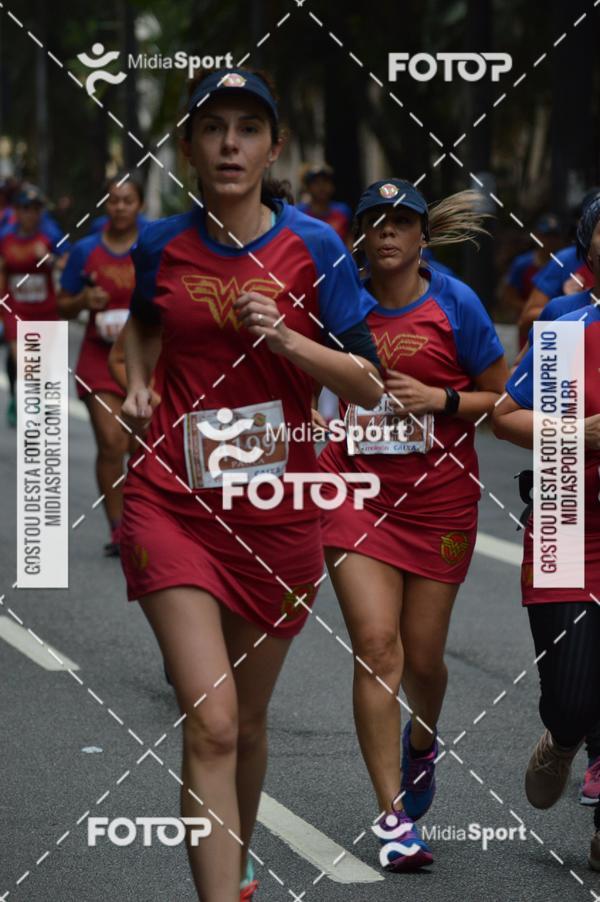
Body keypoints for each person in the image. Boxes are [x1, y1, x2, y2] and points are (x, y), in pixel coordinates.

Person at [119, 67, 382, 902]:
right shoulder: (161, 243)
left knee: (251, 724)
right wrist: (135, 380)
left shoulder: (316, 249)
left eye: (247, 128)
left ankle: (233, 878)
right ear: (191, 149)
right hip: (173, 502)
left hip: (277, 516)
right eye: (212, 128)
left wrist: (292, 346)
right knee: (215, 719)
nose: (229, 143)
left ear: (273, 148)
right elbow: (143, 320)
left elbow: (372, 384)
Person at [317, 178, 508, 871]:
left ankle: (422, 741)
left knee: (424, 661)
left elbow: (502, 397)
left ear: (423, 236)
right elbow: (306, 379)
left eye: (403, 222)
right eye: (377, 222)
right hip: (353, 493)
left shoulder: (456, 304)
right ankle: (393, 819)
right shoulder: (337, 301)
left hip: (439, 505)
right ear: (362, 236)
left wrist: (443, 398)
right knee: (377, 643)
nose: (389, 232)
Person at [492, 195, 600, 872]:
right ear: (589, 247)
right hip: (567, 515)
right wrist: (577, 434)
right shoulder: (566, 320)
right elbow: (504, 416)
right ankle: (563, 736)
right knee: (573, 693)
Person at [58, 176, 144, 555]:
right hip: (98, 358)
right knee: (112, 441)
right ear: (105, 206)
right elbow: (61, 304)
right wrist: (83, 301)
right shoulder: (86, 251)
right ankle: (117, 526)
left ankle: (146, 523)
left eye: (127, 200)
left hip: (143, 359)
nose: (120, 207)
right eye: (113, 201)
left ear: (139, 204)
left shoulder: (153, 244)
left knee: (140, 445)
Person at [0, 185, 61, 427]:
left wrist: (46, 257)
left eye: (36, 209)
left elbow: (64, 264)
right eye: (26, 209)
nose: (31, 214)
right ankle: (24, 400)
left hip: (45, 309)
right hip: (17, 308)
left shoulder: (49, 236)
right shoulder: (6, 238)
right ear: (17, 211)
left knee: (41, 360)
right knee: (22, 358)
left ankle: (38, 398)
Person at [518, 190, 600, 336]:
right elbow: (526, 319)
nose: (550, 241)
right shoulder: (566, 259)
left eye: (554, 236)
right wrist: (573, 307)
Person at [502, 214, 563, 347]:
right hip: (529, 327)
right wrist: (530, 311)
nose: (550, 240)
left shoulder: (564, 263)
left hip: (558, 327)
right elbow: (509, 296)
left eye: (554, 236)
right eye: (546, 235)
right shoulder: (522, 264)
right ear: (537, 236)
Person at [297, 163, 352, 245]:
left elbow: (350, 241)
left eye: (325, 181)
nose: (321, 186)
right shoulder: (299, 214)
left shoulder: (343, 211)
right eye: (316, 182)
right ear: (308, 188)